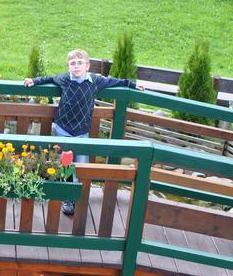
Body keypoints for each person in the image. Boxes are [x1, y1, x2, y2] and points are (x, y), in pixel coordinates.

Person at [23, 48, 143, 215]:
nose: (76, 66)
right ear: (68, 66)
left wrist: (133, 84)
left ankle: (78, 195)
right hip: (63, 129)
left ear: (87, 66)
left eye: (80, 63)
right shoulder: (64, 79)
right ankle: (67, 200)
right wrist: (34, 81)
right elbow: (49, 78)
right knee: (65, 164)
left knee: (81, 165)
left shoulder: (95, 81)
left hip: (81, 132)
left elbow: (115, 81)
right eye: (73, 63)